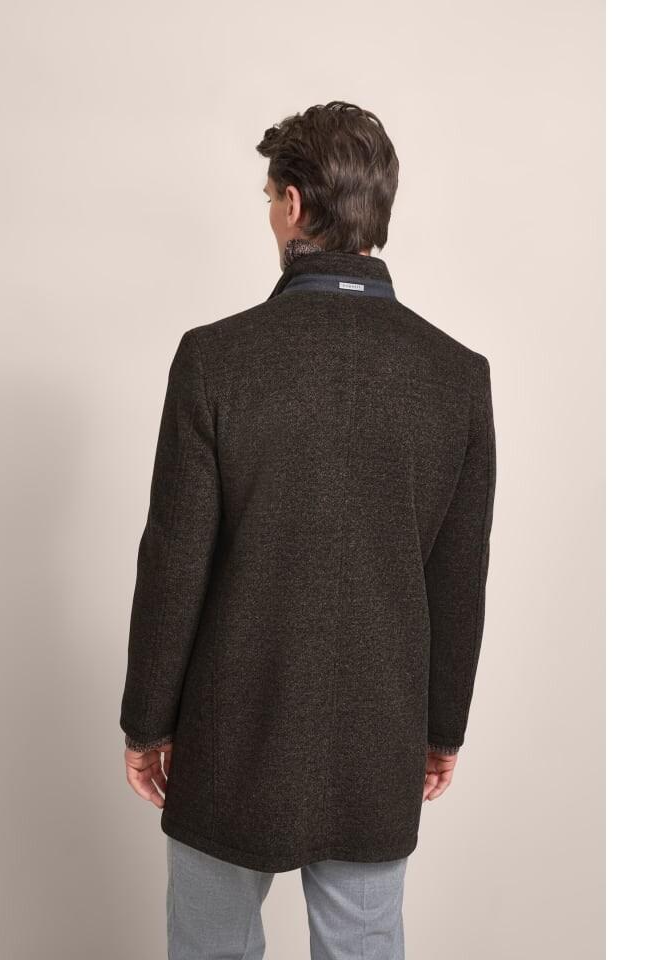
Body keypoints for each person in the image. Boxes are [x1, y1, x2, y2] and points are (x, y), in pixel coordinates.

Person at [119, 100, 497, 960]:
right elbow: (457, 580)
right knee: (364, 945)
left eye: (268, 198)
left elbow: (174, 562)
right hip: (378, 729)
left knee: (211, 946)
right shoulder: (457, 377)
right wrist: (442, 728)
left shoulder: (215, 359)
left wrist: (147, 722)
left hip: (230, 727)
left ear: (293, 205)